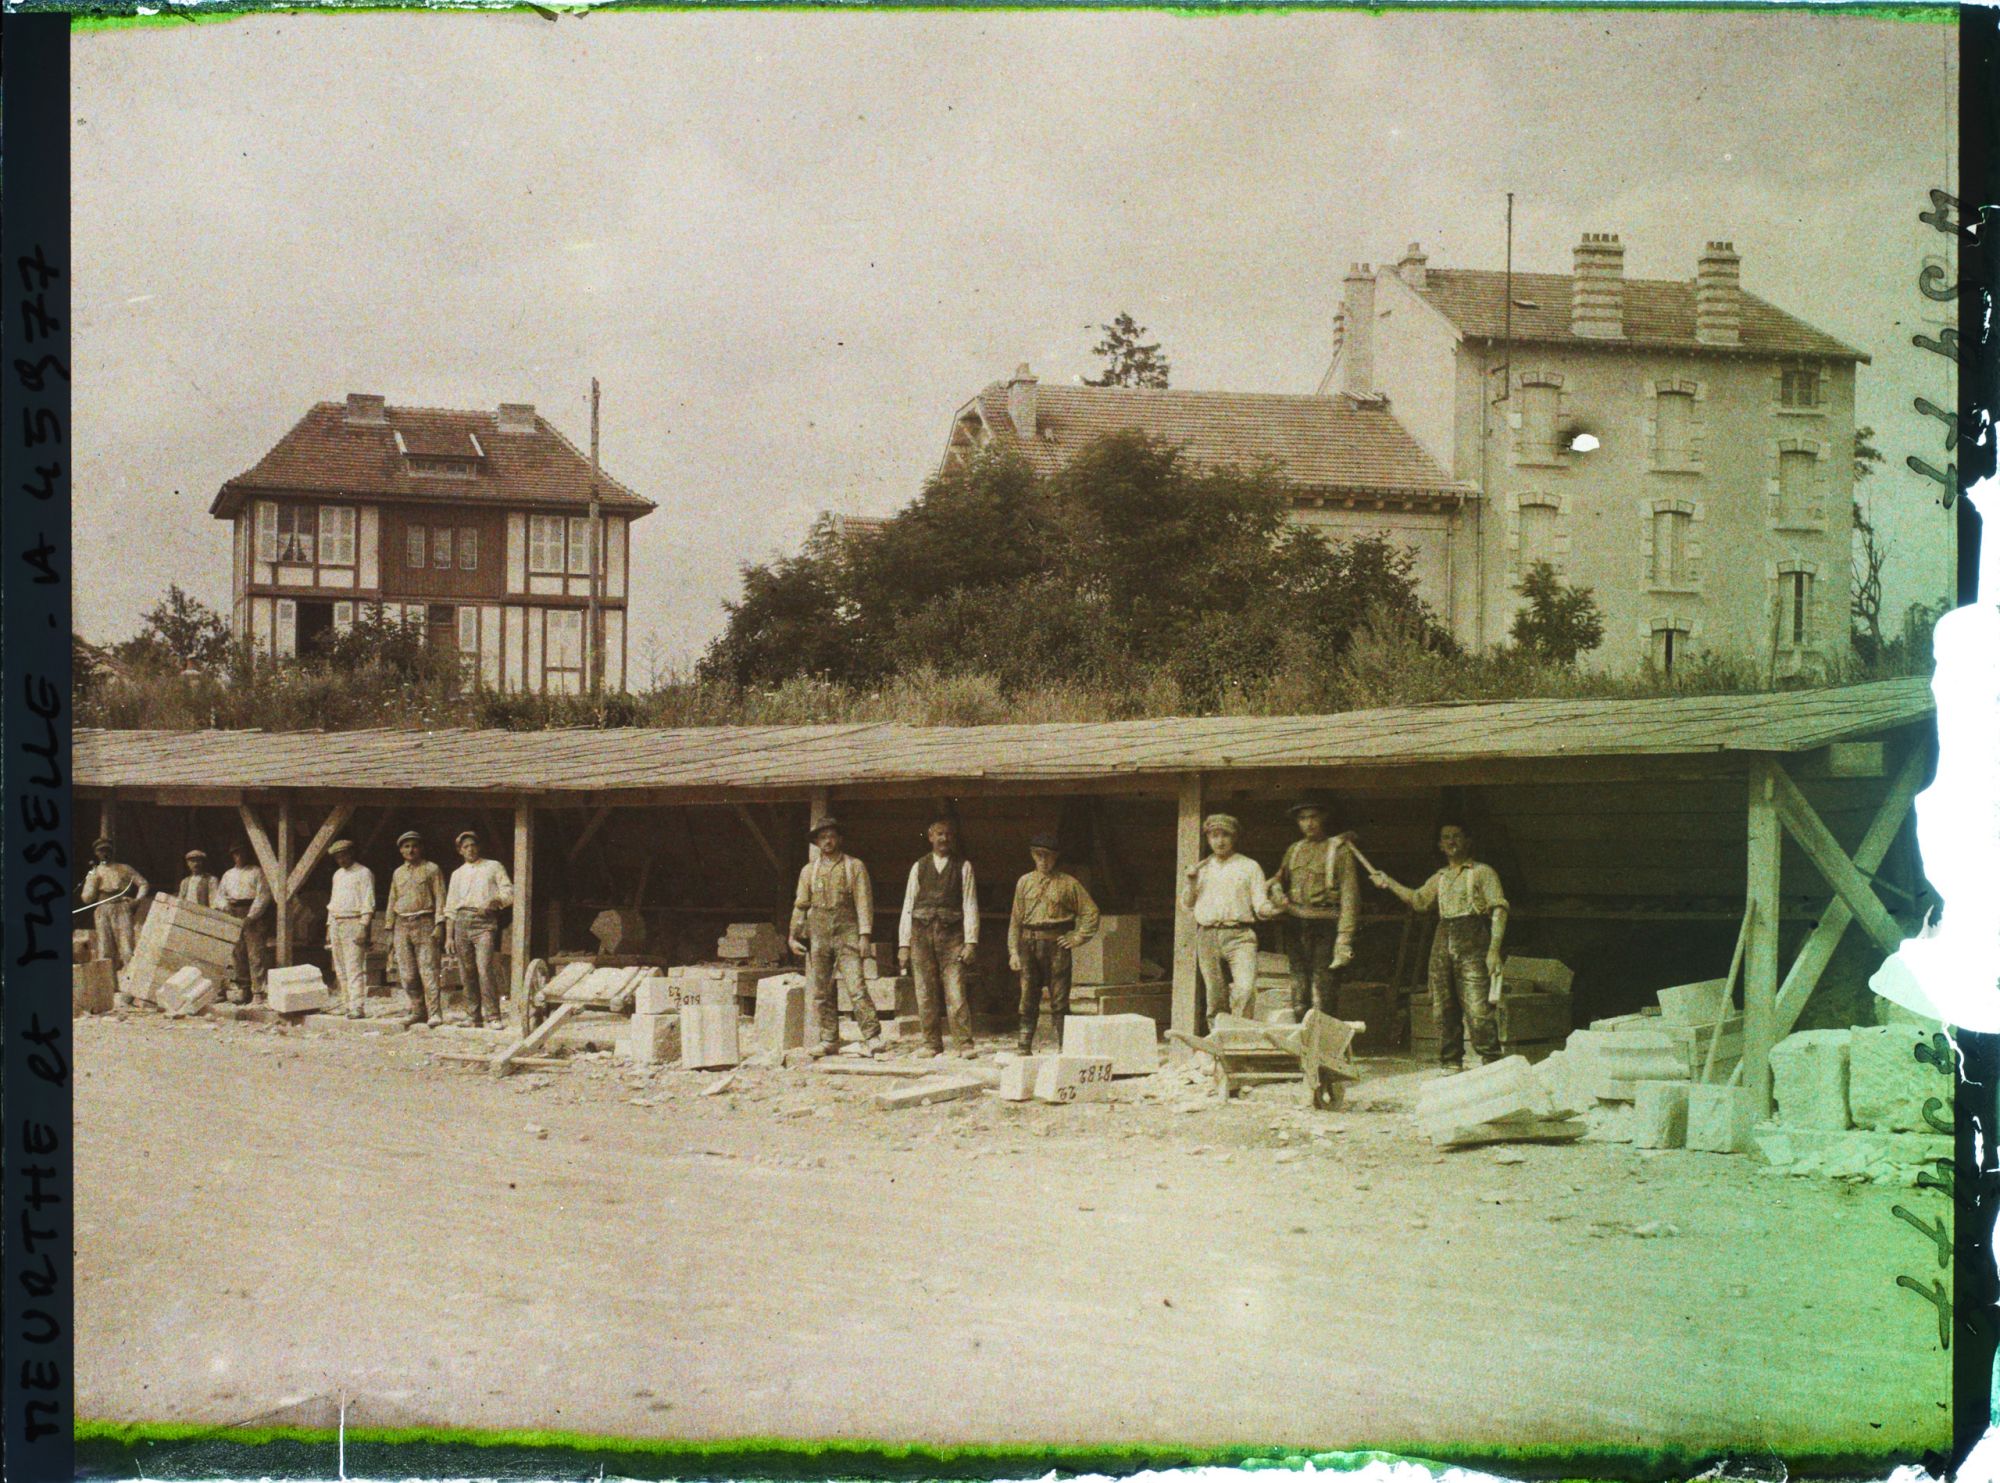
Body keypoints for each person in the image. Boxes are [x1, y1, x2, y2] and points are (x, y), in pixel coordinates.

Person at [1369, 823, 1510, 1072]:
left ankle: (1492, 1063)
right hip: (1443, 937)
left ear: (1468, 840)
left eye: (1457, 836)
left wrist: (1493, 950)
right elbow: (1419, 900)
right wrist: (1388, 882)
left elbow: (1499, 909)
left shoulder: (1482, 872)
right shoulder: (1441, 877)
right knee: (1443, 1006)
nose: (1451, 841)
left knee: (1478, 1007)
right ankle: (1451, 1063)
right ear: (1440, 845)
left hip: (1473, 937)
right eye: (1446, 838)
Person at [788, 816, 881, 1059]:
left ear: (839, 838)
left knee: (856, 986)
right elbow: (800, 905)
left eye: (831, 836)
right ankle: (829, 1039)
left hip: (847, 931)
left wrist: (864, 935)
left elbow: (863, 902)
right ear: (817, 842)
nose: (827, 841)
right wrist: (792, 936)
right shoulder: (809, 871)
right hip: (818, 934)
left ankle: (872, 1037)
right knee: (821, 990)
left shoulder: (854, 866)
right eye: (822, 837)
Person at [1266, 800, 1361, 1021]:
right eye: (1302, 818)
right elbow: (1278, 879)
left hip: (1325, 924)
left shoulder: (1338, 850)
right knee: (1299, 987)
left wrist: (1344, 939)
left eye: (1313, 817)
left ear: (1324, 818)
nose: (1308, 823)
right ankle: (1303, 1045)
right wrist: (1276, 892)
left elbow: (1350, 896)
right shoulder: (1294, 849)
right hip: (1296, 923)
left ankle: (1323, 1048)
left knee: (1323, 988)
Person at [1007, 832, 1100, 1055]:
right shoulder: (1024, 882)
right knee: (1028, 997)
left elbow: (1091, 912)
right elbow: (1015, 920)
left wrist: (1077, 937)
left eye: (1048, 856)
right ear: (1032, 855)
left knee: (1059, 999)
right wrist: (1013, 952)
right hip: (1029, 945)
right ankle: (1024, 1046)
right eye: (1039, 855)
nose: (1044, 860)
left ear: (1056, 857)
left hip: (1056, 947)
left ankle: (1065, 1047)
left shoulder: (1068, 884)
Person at [897, 816, 980, 1058]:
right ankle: (931, 1044)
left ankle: (964, 1044)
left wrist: (971, 942)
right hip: (920, 936)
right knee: (924, 991)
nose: (944, 838)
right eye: (939, 834)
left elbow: (970, 904)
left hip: (952, 937)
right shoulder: (919, 866)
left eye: (948, 834)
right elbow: (908, 906)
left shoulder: (964, 867)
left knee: (955, 991)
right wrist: (904, 944)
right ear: (930, 837)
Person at [1180, 813, 1275, 1022]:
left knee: (1245, 989)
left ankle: (1241, 1036)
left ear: (1235, 838)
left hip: (1240, 935)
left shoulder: (1249, 866)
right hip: (1207, 936)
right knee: (1215, 996)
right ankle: (1219, 1044)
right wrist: (1192, 881)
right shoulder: (1201, 869)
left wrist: (1270, 908)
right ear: (1208, 839)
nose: (1220, 841)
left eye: (1225, 835)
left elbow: (1260, 903)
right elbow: (1187, 904)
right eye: (1214, 836)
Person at [445, 829, 514, 1028]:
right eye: (465, 846)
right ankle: (473, 1017)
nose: (470, 849)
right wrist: (449, 936)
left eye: (473, 845)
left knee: (484, 968)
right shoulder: (457, 874)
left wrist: (495, 901)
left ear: (479, 847)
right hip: (461, 921)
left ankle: (493, 1016)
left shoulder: (493, 866)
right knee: (467, 971)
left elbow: (509, 890)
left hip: (484, 922)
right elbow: (450, 906)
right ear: (460, 850)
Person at [385, 830, 448, 1028]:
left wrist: (439, 924)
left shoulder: (432, 869)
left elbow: (440, 897)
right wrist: (388, 927)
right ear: (401, 850)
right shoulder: (398, 873)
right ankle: (417, 1010)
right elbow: (392, 900)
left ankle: (434, 1013)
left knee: (428, 970)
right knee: (407, 973)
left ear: (421, 848)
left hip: (425, 922)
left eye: (414, 845)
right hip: (402, 924)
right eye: (406, 846)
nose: (410, 850)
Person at [324, 839, 376, 1020]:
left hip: (354, 921)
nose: (341, 859)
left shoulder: (363, 873)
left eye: (344, 855)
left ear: (352, 853)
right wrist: (329, 926)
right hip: (337, 921)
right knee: (340, 968)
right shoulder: (337, 875)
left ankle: (357, 1006)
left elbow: (368, 902)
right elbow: (333, 902)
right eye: (338, 857)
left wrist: (364, 926)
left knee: (354, 967)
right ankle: (346, 1004)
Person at [80, 837, 148, 974]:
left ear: (112, 851)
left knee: (127, 947)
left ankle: (130, 984)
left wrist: (137, 900)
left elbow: (143, 884)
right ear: (96, 854)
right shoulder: (94, 872)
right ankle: (110, 987)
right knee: (105, 949)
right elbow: (86, 899)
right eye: (101, 851)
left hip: (121, 907)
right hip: (103, 909)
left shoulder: (124, 868)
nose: (104, 853)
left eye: (107, 850)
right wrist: (94, 883)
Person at [218, 842, 272, 1003]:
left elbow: (263, 895)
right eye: (236, 854)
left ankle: (258, 992)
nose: (239, 857)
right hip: (233, 912)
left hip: (251, 913)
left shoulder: (256, 872)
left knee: (255, 953)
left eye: (242, 853)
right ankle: (244, 989)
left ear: (247, 855)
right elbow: (220, 895)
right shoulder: (228, 875)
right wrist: (225, 907)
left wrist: (251, 916)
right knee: (237, 953)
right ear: (232, 856)